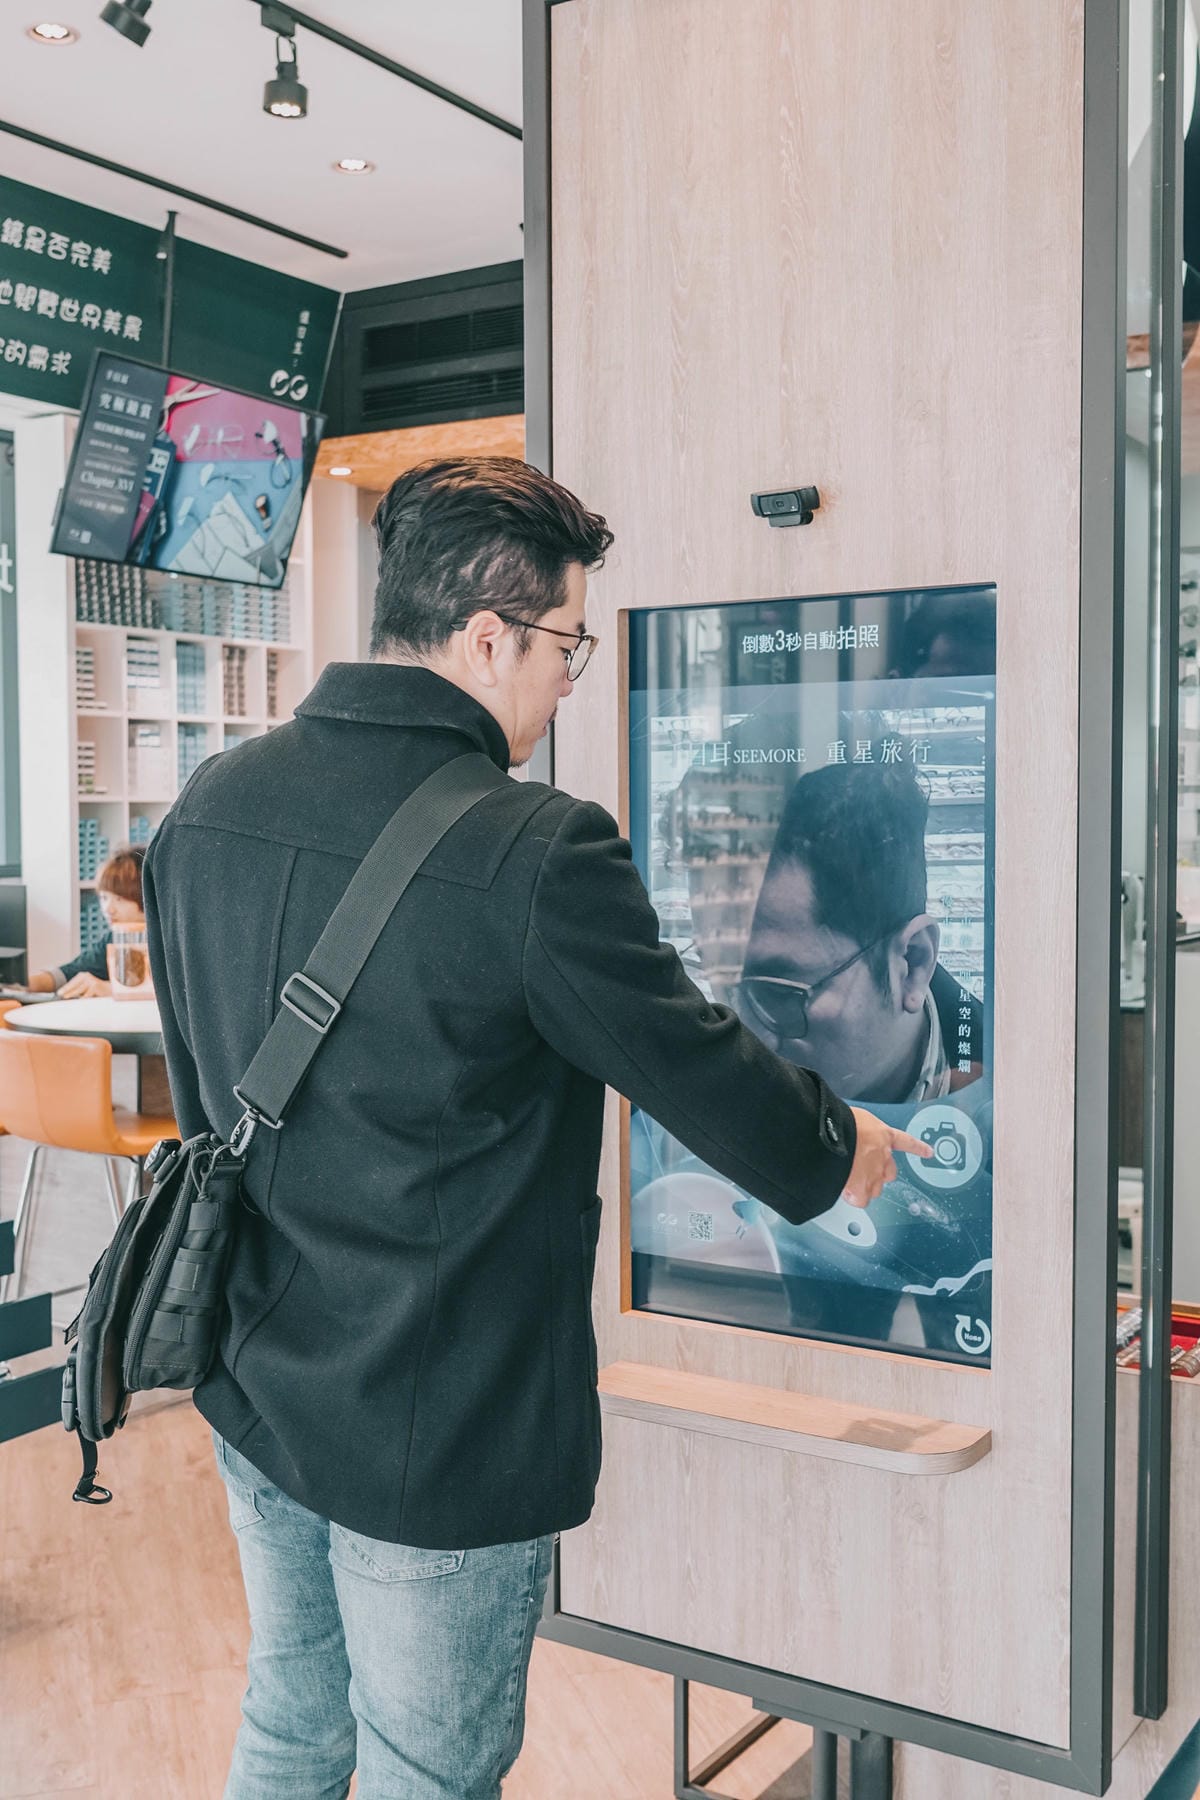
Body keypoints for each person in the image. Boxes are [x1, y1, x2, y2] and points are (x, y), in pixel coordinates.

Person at [143, 456, 927, 1800]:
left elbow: (208, 1076)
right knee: (424, 1769)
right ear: (485, 636)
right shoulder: (532, 849)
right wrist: (843, 1147)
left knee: (290, 1717)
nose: (574, 675)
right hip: (434, 1423)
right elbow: (693, 1061)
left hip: (255, 1372)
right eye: (567, 640)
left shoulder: (207, 806)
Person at [734, 761, 983, 1103]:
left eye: (780, 995)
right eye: (717, 985)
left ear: (912, 963)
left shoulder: (1013, 1091)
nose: (743, 1038)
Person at [13, 844, 146, 998]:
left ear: (145, 897)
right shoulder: (114, 937)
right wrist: (19, 985)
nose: (108, 909)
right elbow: (70, 972)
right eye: (104, 898)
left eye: (119, 899)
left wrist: (110, 989)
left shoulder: (169, 937)